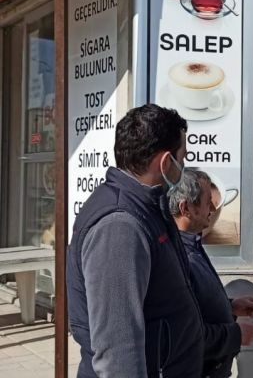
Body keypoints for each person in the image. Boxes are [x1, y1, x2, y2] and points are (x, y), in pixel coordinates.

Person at [67, 104, 204, 377]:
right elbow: (118, 350)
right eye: (182, 158)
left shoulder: (147, 207)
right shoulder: (120, 225)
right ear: (166, 162)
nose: (184, 167)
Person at [168, 168, 253, 378]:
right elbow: (186, 335)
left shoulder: (191, 245)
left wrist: (231, 306)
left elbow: (196, 305)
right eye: (206, 202)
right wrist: (236, 335)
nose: (212, 208)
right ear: (186, 208)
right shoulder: (178, 258)